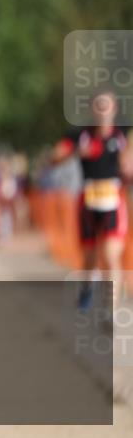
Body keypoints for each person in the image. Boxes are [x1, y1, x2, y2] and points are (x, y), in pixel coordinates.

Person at [53, 90, 131, 317]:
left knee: (111, 254)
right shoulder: (81, 136)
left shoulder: (123, 135)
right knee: (89, 258)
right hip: (87, 199)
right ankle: (88, 286)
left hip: (113, 199)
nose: (103, 110)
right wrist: (77, 152)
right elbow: (54, 157)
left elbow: (129, 163)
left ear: (115, 108)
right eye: (99, 105)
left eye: (107, 105)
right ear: (93, 109)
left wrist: (128, 168)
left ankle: (111, 308)